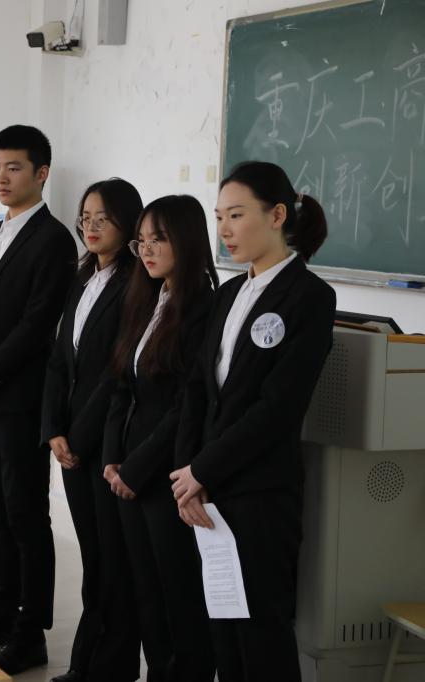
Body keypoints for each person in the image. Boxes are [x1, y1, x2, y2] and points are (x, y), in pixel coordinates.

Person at [171, 161, 335, 681]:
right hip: (208, 491)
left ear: (277, 215)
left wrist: (203, 470)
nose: (224, 228)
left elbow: (277, 407)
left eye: (237, 215)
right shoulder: (227, 294)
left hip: (260, 492)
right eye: (219, 216)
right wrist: (187, 475)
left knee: (261, 632)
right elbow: (198, 389)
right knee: (223, 632)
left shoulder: (309, 297)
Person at [0, 125, 76, 675]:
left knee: (27, 517)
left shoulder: (54, 240)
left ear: (41, 173)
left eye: (15, 168)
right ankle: (1, 612)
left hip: (20, 404)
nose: (2, 178)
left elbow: (35, 326)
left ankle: (31, 633)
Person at [101, 195, 218, 681]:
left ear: (186, 241)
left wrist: (135, 468)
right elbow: (122, 384)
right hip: (129, 469)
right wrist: (112, 458)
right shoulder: (149, 297)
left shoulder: (203, 308)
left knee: (179, 596)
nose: (146, 250)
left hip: (167, 473)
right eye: (141, 241)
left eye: (158, 239)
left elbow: (185, 406)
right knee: (145, 592)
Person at [39, 178, 142, 682]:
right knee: (93, 556)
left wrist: (77, 436)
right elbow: (61, 359)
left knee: (112, 561)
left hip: (108, 443)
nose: (91, 226)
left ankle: (109, 666)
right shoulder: (82, 277)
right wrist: (52, 428)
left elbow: (117, 372)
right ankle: (88, 664)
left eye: (103, 218)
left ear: (128, 223)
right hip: (73, 440)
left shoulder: (137, 282)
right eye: (86, 217)